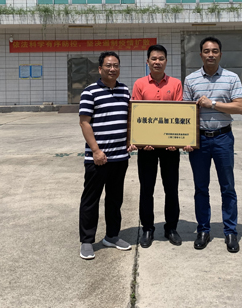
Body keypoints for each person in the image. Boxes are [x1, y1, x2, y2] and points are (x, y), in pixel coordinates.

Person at [183, 36, 242, 253]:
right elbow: (186, 112)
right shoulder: (190, 80)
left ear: (220, 54)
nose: (211, 55)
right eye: (207, 51)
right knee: (201, 188)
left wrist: (213, 104)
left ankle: (230, 231)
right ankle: (203, 230)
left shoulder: (231, 78)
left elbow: (239, 107)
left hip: (222, 138)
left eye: (215, 51)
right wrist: (187, 139)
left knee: (227, 187)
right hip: (199, 141)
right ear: (200, 54)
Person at [78, 51, 132, 260]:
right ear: (100, 69)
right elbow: (84, 123)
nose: (112, 69)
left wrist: (131, 140)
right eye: (108, 65)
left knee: (115, 199)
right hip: (97, 158)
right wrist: (96, 151)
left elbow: (129, 120)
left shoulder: (125, 90)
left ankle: (112, 236)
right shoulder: (90, 92)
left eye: (116, 65)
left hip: (120, 157)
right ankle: (87, 241)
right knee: (91, 199)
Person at [129, 45, 183, 248]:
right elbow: (136, 114)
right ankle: (147, 228)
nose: (157, 62)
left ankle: (171, 228)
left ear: (166, 61)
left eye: (161, 58)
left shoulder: (176, 83)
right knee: (146, 189)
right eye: (153, 58)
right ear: (148, 62)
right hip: (147, 148)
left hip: (170, 147)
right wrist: (142, 140)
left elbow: (180, 113)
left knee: (171, 189)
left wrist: (176, 141)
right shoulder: (140, 84)